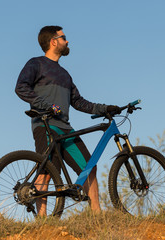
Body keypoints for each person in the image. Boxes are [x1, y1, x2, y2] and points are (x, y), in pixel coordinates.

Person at [15, 25, 120, 216]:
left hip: (66, 129)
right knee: (47, 172)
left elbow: (79, 102)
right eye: (64, 37)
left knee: (89, 167)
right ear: (53, 41)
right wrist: (44, 105)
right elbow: (21, 87)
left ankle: (97, 216)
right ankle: (43, 221)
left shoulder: (65, 74)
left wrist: (106, 108)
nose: (67, 40)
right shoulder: (36, 64)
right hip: (45, 124)